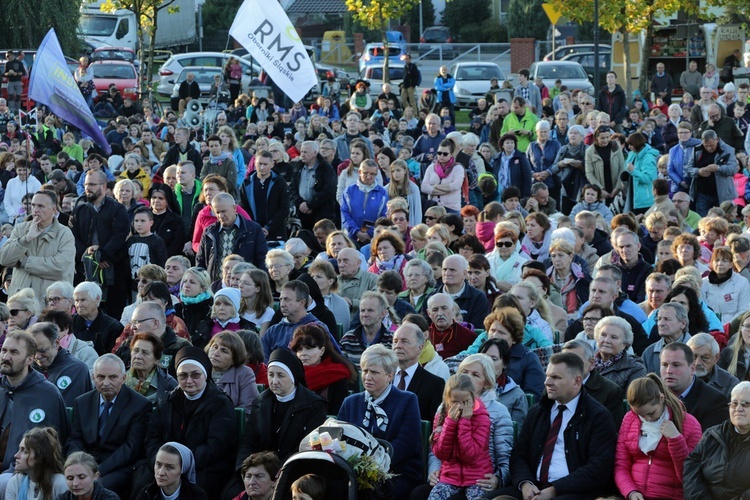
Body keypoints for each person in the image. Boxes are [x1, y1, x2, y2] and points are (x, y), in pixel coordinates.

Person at [497, 352, 617, 499]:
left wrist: (555, 489)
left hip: (574, 492)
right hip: (533, 487)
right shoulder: (538, 411)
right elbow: (519, 455)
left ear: (576, 381)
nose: (547, 382)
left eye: (555, 377)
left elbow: (598, 468)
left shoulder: (597, 416)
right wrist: (525, 483)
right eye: (547, 375)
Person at [145, 346, 237, 496]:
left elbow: (216, 446)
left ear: (205, 374)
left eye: (195, 375)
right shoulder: (167, 400)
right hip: (165, 465)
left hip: (205, 467)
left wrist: (181, 465)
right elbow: (152, 438)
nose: (189, 381)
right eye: (183, 376)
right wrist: (161, 463)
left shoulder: (220, 403)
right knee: (142, 482)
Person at [338, 344, 422, 497]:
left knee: (371, 492)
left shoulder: (407, 400)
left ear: (390, 376)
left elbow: (406, 444)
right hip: (353, 470)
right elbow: (339, 439)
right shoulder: (350, 402)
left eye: (374, 372)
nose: (367, 377)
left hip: (396, 471)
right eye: (365, 371)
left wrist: (374, 467)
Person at [66, 354, 151, 495]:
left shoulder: (139, 405)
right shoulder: (82, 402)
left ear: (123, 378)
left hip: (118, 467)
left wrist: (97, 470)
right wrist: (78, 465)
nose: (106, 383)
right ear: (93, 378)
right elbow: (76, 438)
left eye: (112, 377)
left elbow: (131, 448)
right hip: (86, 463)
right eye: (100, 377)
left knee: (97, 487)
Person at [614, 374, 702, 500]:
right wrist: (630, 491)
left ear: (661, 398)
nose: (647, 419)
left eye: (651, 413)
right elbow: (621, 464)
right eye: (640, 415)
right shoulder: (629, 419)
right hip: (635, 494)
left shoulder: (689, 423)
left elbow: (689, 475)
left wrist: (676, 440)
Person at [69, 170, 130, 318]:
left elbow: (119, 236)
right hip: (85, 270)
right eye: (85, 184)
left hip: (112, 271)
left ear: (103, 186)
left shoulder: (117, 209)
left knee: (112, 315)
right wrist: (91, 257)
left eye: (91, 184)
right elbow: (72, 237)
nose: (87, 188)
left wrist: (102, 256)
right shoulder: (79, 209)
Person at [0, 190, 75, 301]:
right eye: (33, 205)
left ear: (54, 209)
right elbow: (4, 259)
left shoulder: (65, 234)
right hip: (21, 302)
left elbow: (61, 268)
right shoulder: (20, 229)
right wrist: (26, 239)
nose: (35, 210)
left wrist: (25, 261)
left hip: (50, 303)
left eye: (41, 206)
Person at [427, 373, 492, 500]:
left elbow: (470, 456)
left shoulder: (482, 418)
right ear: (447, 400)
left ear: (473, 397)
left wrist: (464, 422)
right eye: (455, 402)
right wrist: (450, 423)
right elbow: (441, 453)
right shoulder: (442, 417)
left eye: (466, 402)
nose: (461, 406)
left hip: (477, 477)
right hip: (449, 477)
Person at [684, 380, 750, 498]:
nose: (738, 409)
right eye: (734, 403)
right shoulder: (712, 435)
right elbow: (691, 468)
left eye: (745, 404)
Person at [196, 193, 268, 282]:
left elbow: (262, 259)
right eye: (217, 212)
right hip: (214, 285)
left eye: (223, 211)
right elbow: (201, 260)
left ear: (234, 208)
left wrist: (259, 282)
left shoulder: (253, 229)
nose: (220, 216)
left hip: (243, 285)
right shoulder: (209, 231)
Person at [290, 323, 356, 415]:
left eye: (308, 348)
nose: (303, 354)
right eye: (299, 349)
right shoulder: (290, 375)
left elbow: (337, 413)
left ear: (322, 350)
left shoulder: (336, 375)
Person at [660, 342, 728, 431]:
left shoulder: (714, 401)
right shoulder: (651, 394)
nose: (669, 371)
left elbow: (708, 443)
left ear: (692, 369)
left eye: (676, 365)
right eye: (664, 365)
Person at [563, 339, 625, 426]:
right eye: (564, 361)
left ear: (591, 363)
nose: (568, 366)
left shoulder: (610, 391)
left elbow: (608, 431)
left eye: (574, 361)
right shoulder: (554, 385)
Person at [29, 322, 92, 407]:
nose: (37, 356)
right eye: (32, 351)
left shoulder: (76, 370)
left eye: (43, 350)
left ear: (57, 343)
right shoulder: (25, 368)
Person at [685, 129, 738, 216]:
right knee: (702, 220)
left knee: (722, 219)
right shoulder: (697, 149)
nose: (709, 148)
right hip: (702, 194)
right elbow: (688, 168)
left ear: (717, 139)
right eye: (706, 146)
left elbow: (733, 169)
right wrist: (699, 171)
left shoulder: (728, 150)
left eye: (711, 145)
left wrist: (718, 168)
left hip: (722, 194)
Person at [5, 426, 68, 500]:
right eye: (19, 450)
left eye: (25, 451)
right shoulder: (16, 482)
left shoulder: (59, 483)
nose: (16, 455)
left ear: (40, 457)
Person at [239, 151, 289, 242]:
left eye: (265, 164)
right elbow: (243, 208)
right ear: (255, 163)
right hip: (252, 231)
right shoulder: (247, 183)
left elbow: (284, 208)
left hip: (276, 232)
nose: (262, 167)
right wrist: (254, 226)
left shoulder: (279, 182)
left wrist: (268, 227)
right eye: (259, 164)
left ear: (272, 164)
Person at [135, 442, 208, 500]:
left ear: (182, 470)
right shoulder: (146, 493)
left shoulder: (196, 496)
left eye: (169, 467)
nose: (161, 473)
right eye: (158, 464)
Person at [290, 141, 337, 231]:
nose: (302, 154)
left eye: (305, 152)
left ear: (315, 153)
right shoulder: (298, 167)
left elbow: (329, 190)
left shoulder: (325, 168)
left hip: (321, 214)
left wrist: (310, 205)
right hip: (302, 213)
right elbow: (292, 188)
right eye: (301, 152)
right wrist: (301, 203)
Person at [593, 316, 647, 393]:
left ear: (624, 344)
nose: (607, 340)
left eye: (614, 337)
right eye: (603, 335)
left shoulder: (636, 368)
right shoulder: (585, 361)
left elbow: (633, 400)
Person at [124, 332, 178, 407]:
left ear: (157, 360)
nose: (138, 356)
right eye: (136, 351)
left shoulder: (169, 385)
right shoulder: (120, 379)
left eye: (145, 353)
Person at [71, 282, 123, 356]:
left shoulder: (114, 327)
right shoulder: (68, 323)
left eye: (83, 300)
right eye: (76, 300)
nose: (79, 305)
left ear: (97, 299)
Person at [688, 333, 738, 398]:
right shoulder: (676, 376)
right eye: (693, 357)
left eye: (705, 358)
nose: (698, 363)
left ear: (716, 358)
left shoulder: (731, 384)